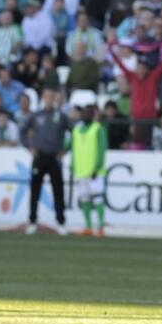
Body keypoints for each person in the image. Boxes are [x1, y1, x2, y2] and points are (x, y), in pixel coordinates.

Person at [22, 87, 69, 235]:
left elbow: (74, 132)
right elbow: (22, 131)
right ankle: (32, 221)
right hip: (39, 156)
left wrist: (66, 150)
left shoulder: (60, 116)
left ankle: (60, 222)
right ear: (43, 98)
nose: (49, 99)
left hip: (54, 157)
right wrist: (29, 147)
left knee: (58, 191)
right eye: (46, 96)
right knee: (35, 190)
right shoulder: (36, 115)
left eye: (51, 96)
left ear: (54, 98)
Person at [69, 91, 107, 237]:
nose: (84, 115)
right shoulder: (76, 130)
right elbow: (73, 149)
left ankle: (101, 227)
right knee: (84, 199)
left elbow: (102, 150)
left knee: (97, 198)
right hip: (81, 170)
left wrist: (97, 167)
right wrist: (73, 167)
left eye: (87, 113)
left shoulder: (98, 129)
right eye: (83, 113)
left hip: (94, 171)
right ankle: (89, 226)